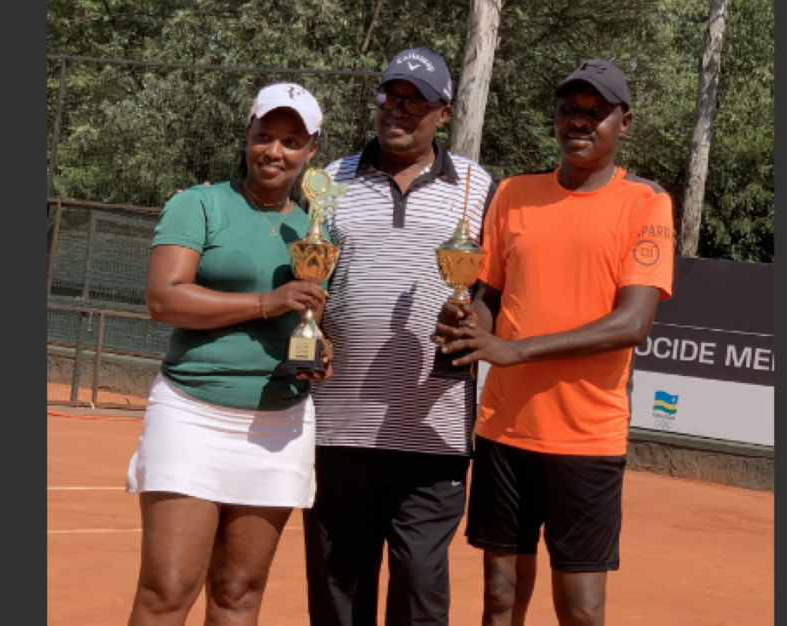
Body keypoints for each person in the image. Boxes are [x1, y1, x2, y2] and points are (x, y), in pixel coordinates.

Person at [434, 59, 675, 626]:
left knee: (582, 612)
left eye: (597, 112)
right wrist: (470, 329)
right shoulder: (514, 193)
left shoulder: (645, 203)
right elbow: (489, 295)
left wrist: (514, 351)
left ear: (625, 122)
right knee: (499, 602)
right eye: (570, 109)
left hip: (587, 438)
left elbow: (632, 323)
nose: (580, 122)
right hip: (505, 429)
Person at [124, 83, 334, 625]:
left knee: (239, 592)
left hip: (278, 426)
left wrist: (319, 343)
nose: (274, 151)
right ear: (247, 135)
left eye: (291, 141)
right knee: (167, 590)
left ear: (312, 150)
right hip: (192, 413)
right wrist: (267, 301)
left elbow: (308, 316)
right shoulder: (199, 203)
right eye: (264, 136)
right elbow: (163, 297)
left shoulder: (316, 227)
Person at [303, 48, 496, 625]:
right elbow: (308, 276)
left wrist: (475, 321)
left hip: (432, 429)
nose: (400, 108)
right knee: (339, 585)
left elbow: (491, 291)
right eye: (392, 94)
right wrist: (307, 332)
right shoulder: (329, 179)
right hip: (337, 422)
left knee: (419, 586)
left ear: (443, 110)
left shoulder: (476, 186)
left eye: (417, 99)